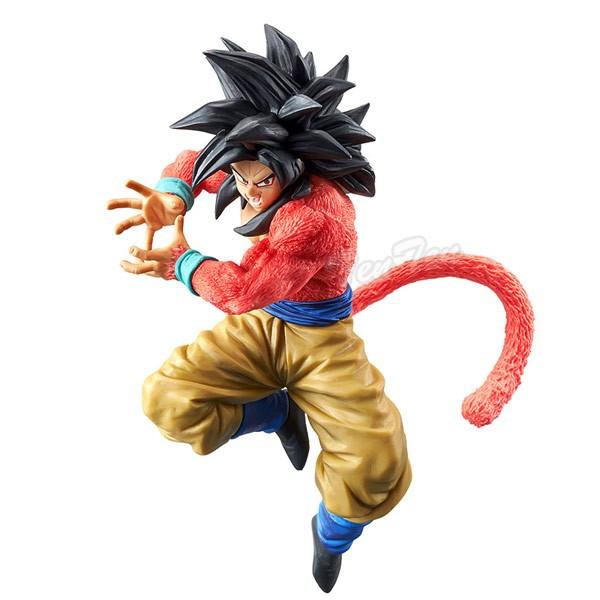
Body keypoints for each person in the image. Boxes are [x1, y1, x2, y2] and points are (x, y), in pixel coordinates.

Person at [108, 25, 533, 593]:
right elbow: (194, 160)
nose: (247, 190)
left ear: (297, 167)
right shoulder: (253, 159)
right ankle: (275, 412)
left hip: (317, 338)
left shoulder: (314, 219)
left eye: (261, 180)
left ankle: (331, 535)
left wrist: (181, 263)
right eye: (240, 174)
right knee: (167, 400)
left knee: (375, 462)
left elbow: (240, 292)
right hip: (261, 327)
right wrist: (173, 194)